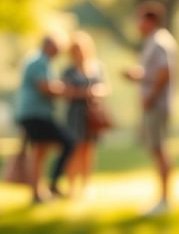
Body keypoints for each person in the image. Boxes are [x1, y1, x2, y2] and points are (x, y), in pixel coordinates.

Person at [122, 0, 178, 216]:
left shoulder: (160, 42)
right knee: (156, 148)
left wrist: (151, 96)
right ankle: (162, 197)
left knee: (159, 148)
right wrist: (137, 76)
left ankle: (164, 199)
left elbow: (165, 72)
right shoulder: (154, 42)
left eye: (140, 19)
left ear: (150, 20)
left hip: (157, 105)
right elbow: (155, 72)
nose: (137, 24)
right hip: (155, 103)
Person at [15, 34, 74, 204]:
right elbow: (45, 88)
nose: (58, 53)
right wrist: (66, 89)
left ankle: (37, 191)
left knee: (39, 152)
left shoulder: (41, 62)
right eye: (57, 49)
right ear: (49, 46)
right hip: (36, 114)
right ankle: (50, 185)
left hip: (35, 114)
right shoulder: (39, 62)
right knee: (67, 142)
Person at [61, 30, 109, 199]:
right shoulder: (68, 71)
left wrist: (90, 93)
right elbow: (67, 93)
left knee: (89, 150)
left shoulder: (96, 68)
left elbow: (104, 88)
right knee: (75, 149)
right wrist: (86, 93)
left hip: (91, 115)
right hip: (75, 114)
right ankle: (72, 186)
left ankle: (86, 186)